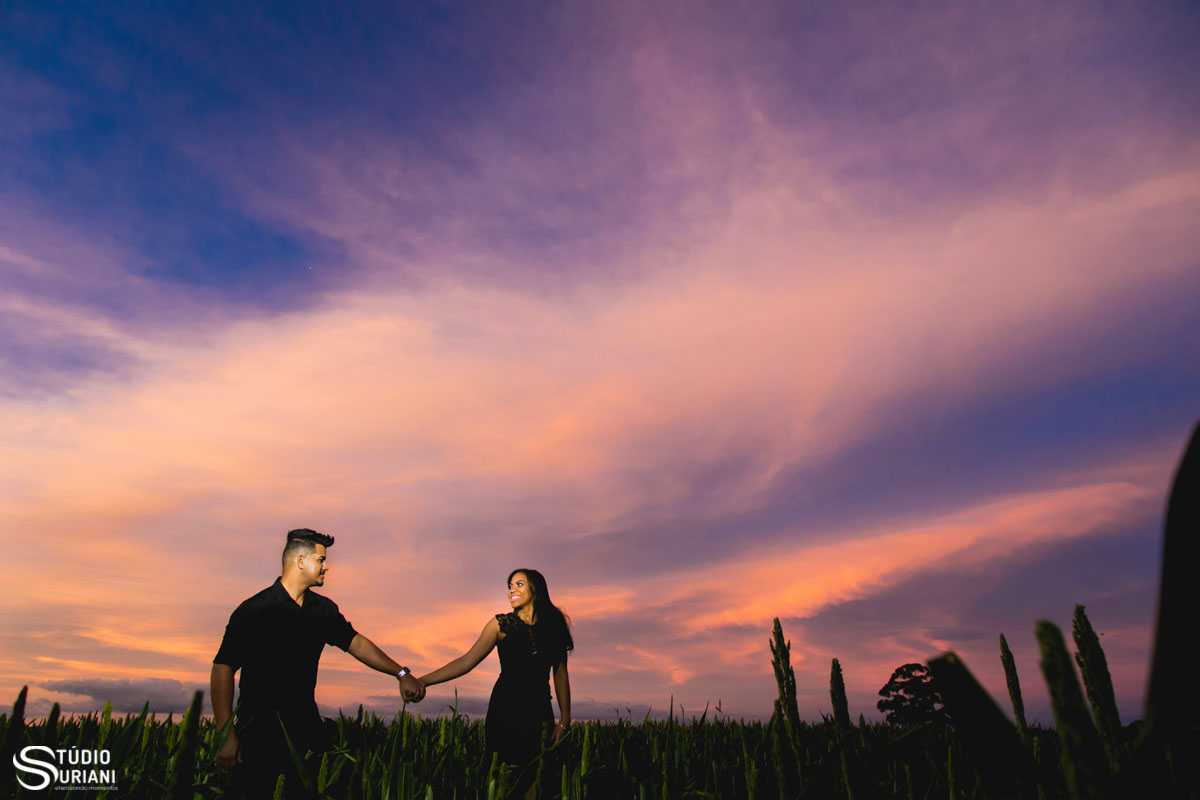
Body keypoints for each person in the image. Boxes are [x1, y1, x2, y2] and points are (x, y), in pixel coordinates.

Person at [211, 528, 426, 798]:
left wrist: (401, 673)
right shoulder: (253, 610)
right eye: (321, 560)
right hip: (258, 732)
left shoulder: (323, 610)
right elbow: (223, 668)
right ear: (301, 561)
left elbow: (357, 644)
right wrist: (225, 733)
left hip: (306, 729)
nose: (326, 567)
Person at [418, 568, 573, 800]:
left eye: (519, 584)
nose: (512, 590)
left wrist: (564, 720)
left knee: (537, 780)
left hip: (539, 712)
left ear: (536, 588)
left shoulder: (554, 627)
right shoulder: (500, 624)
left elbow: (560, 674)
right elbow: (467, 661)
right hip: (505, 711)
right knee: (504, 780)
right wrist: (424, 680)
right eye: (509, 586)